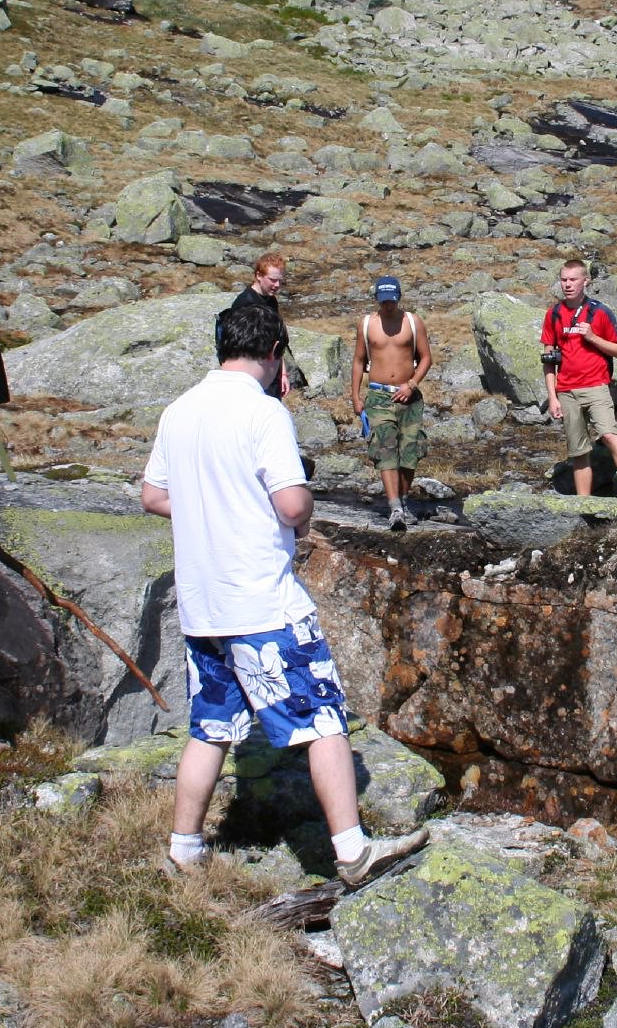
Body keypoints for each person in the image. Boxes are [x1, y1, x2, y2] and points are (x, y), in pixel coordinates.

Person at [141, 301, 428, 885]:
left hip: (204, 606)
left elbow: (153, 494)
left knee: (211, 726)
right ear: (275, 354)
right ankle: (351, 850)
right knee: (323, 717)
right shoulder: (264, 413)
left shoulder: (179, 410)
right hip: (263, 601)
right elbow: (292, 505)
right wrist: (295, 512)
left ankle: (185, 847)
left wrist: (209, 507)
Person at [540, 258, 617, 512]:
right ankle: (585, 507)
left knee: (609, 435)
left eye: (573, 280)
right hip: (566, 391)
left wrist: (592, 337)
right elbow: (549, 360)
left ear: (585, 281)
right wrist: (553, 396)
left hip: (595, 386)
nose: (568, 285)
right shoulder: (554, 314)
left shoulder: (600, 312)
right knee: (578, 451)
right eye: (564, 280)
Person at [350, 276, 431, 531]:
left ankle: (404, 502)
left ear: (399, 297)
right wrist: (355, 396)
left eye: (392, 301)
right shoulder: (366, 324)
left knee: (410, 452)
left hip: (408, 395)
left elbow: (426, 358)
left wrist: (412, 384)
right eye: (384, 302)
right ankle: (395, 507)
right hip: (378, 395)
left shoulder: (413, 322)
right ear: (377, 299)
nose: (388, 306)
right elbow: (358, 361)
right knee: (384, 448)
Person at [224, 251, 300, 396]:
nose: (277, 285)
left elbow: (276, 340)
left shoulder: (271, 300)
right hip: (253, 376)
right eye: (272, 280)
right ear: (258, 276)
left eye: (280, 280)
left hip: (271, 372)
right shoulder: (244, 304)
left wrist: (282, 373)